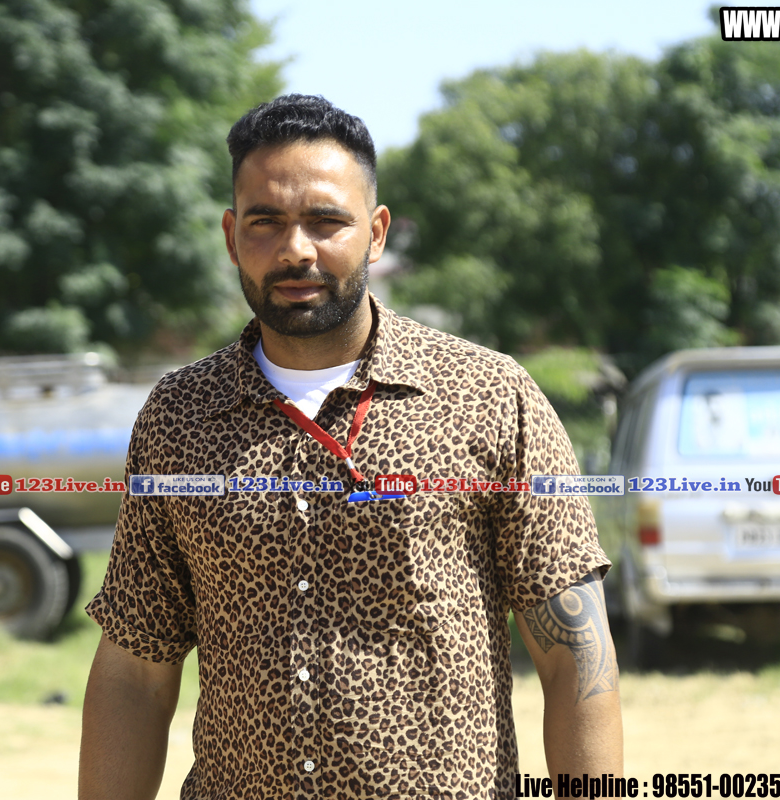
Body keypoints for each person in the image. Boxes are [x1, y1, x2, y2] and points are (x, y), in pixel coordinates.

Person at [79, 94, 622, 799]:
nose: (296, 250)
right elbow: (134, 672)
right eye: (266, 222)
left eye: (326, 221)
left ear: (376, 232)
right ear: (231, 236)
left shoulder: (489, 398)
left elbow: (578, 659)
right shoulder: (179, 418)